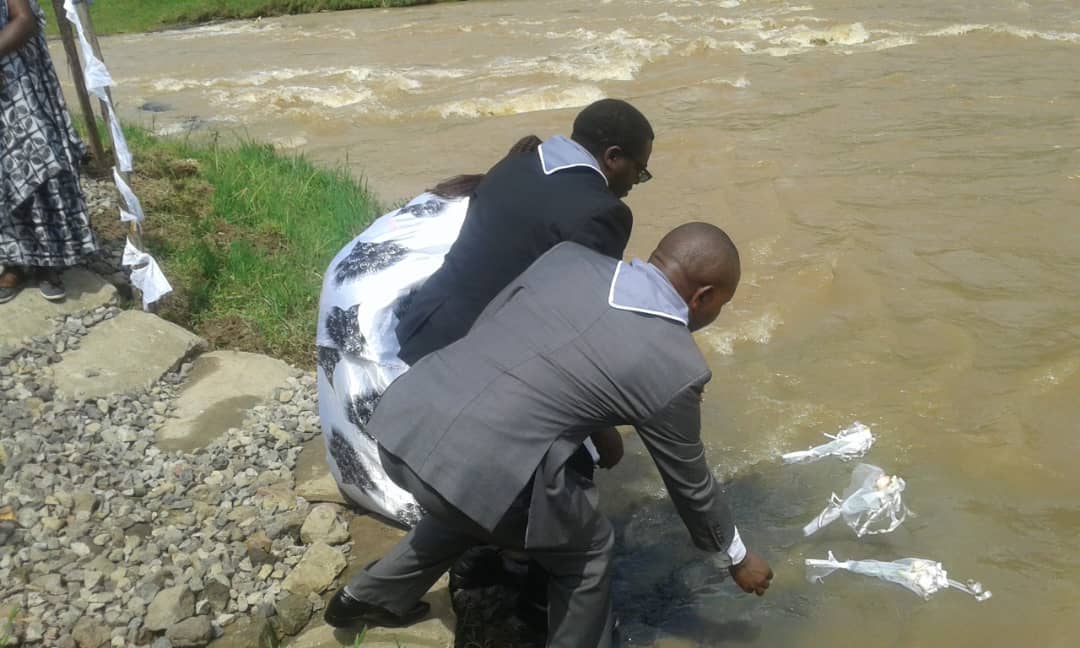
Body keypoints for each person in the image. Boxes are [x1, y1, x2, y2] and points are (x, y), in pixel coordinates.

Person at [325, 223, 774, 648]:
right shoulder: (677, 366)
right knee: (590, 550)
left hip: (402, 423)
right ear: (704, 297)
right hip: (464, 471)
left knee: (477, 493)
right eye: (723, 305)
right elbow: (691, 486)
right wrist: (736, 557)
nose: (717, 313)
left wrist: (600, 429)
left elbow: (501, 329)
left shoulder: (568, 260)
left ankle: (365, 598)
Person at [0, 0, 96, 304]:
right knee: (4, 177)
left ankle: (48, 262)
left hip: (18, 85)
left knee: (38, 168)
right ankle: (15, 262)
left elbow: (24, 20)